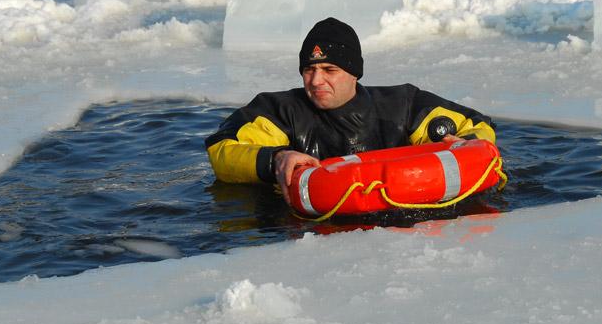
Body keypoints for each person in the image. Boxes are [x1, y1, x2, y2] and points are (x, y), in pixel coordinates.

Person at [205, 17, 496, 203]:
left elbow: (477, 124)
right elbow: (222, 150)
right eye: (309, 70)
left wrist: (465, 144)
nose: (316, 80)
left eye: (329, 69)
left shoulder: (404, 105)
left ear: (353, 72)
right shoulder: (277, 111)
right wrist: (276, 158)